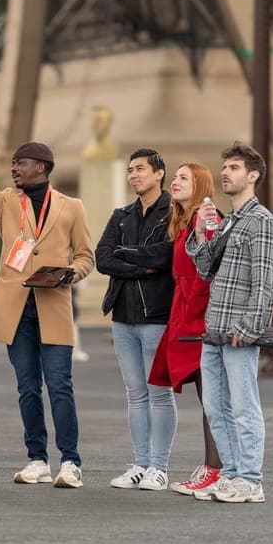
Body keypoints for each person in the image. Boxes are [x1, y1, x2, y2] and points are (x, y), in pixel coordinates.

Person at [0, 123, 94, 489]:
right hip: (16, 310)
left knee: (60, 385)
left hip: (53, 305)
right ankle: (37, 459)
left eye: (19, 163)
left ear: (40, 167)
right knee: (28, 387)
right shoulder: (7, 202)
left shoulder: (72, 207)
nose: (13, 169)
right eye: (12, 164)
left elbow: (86, 256)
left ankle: (71, 461)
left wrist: (69, 275)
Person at [186, 142, 273, 503]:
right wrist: (199, 233)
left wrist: (250, 327)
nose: (225, 172)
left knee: (243, 407)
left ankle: (251, 480)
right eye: (225, 166)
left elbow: (265, 281)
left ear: (253, 175)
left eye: (235, 167)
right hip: (213, 332)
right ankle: (230, 473)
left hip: (239, 332)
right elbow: (206, 269)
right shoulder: (229, 222)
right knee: (216, 408)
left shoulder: (263, 221)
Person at [95, 148, 176, 492]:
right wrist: (139, 265)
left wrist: (131, 258)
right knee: (135, 394)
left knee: (160, 394)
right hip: (123, 316)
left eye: (140, 169)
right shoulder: (121, 215)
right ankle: (141, 463)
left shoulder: (172, 212)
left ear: (159, 173)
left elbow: (165, 257)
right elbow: (102, 258)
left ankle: (159, 466)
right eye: (130, 170)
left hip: (157, 315)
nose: (133, 175)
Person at [147, 162, 223, 496]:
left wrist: (197, 316)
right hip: (186, 310)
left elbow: (211, 271)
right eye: (174, 177)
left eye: (183, 178)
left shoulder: (206, 216)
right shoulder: (184, 222)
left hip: (200, 315)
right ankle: (214, 466)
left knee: (213, 400)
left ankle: (217, 469)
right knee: (207, 398)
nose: (175, 182)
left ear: (201, 185)